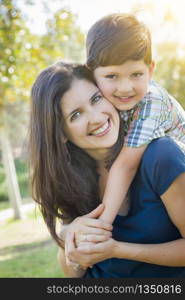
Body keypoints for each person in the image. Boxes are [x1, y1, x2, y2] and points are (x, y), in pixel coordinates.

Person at [29, 61, 185, 278]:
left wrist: (117, 249)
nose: (96, 117)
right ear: (61, 133)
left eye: (96, 99)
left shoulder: (161, 156)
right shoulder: (71, 177)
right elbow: (73, 274)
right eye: (76, 115)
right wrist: (71, 241)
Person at [85, 13, 185, 224]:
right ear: (92, 74)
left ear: (150, 70)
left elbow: (125, 166)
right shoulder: (102, 102)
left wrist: (103, 224)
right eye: (112, 76)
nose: (125, 88)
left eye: (136, 75)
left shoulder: (152, 102)